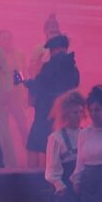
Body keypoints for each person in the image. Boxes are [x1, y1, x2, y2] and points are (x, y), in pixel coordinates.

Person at [21, 36, 76, 169]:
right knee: (55, 144)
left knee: (34, 144)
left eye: (51, 50)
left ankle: (33, 176)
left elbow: (40, 85)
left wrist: (26, 83)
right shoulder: (72, 66)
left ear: (56, 49)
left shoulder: (49, 66)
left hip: (46, 110)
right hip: (64, 111)